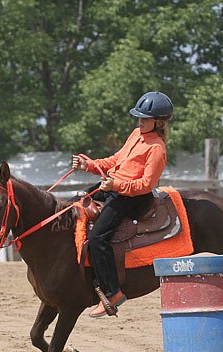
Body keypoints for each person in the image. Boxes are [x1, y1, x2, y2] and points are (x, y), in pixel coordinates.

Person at [71, 91, 173, 318]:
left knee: (98, 238)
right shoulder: (137, 134)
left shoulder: (156, 148)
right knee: (73, 205)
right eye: (139, 117)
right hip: (114, 188)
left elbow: (146, 185)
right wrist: (88, 165)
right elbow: (116, 160)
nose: (139, 121)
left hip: (131, 198)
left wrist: (115, 186)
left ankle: (112, 292)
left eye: (144, 118)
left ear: (157, 122)